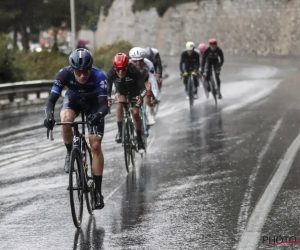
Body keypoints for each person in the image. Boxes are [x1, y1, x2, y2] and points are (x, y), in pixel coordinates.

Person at [43, 48, 108, 209]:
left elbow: (104, 106)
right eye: (78, 72)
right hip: (74, 100)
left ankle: (98, 192)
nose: (82, 76)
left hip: (94, 104)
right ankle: (69, 152)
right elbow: (51, 101)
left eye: (85, 71)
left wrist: (98, 115)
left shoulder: (99, 76)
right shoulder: (64, 74)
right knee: (65, 120)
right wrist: (49, 116)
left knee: (95, 145)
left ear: (90, 67)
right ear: (72, 69)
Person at [106, 53, 147, 153]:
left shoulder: (133, 70)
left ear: (127, 66)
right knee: (119, 103)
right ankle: (120, 131)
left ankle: (139, 139)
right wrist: (107, 98)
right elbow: (107, 89)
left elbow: (143, 88)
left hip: (134, 90)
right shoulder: (111, 72)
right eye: (118, 70)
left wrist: (140, 96)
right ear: (114, 68)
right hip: (121, 90)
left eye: (123, 69)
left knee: (135, 113)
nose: (120, 72)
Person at [129, 47, 159, 126]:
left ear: (144, 59)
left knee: (148, 89)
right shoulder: (128, 64)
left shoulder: (148, 64)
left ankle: (149, 114)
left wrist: (155, 97)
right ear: (131, 60)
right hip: (133, 82)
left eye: (140, 60)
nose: (138, 63)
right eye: (135, 61)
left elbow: (153, 80)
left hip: (145, 80)